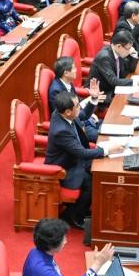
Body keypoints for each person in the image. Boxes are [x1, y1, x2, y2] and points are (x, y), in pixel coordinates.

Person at [45, 91, 111, 229]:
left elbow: (83, 115)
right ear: (68, 112)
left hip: (74, 158)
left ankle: (85, 209)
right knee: (90, 183)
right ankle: (75, 216)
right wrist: (106, 150)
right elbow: (82, 153)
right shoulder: (61, 130)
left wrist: (93, 100)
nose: (80, 107)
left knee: (100, 171)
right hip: (65, 167)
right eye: (77, 106)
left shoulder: (63, 114)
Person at [20, 218, 114, 276]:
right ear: (50, 244)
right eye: (63, 239)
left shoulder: (37, 251)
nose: (65, 241)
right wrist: (98, 263)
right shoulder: (41, 270)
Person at [48, 62, 104, 141]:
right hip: (78, 126)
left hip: (82, 119)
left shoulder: (67, 83)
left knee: (108, 124)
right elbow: (65, 115)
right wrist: (91, 101)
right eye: (73, 68)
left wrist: (90, 111)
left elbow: (77, 105)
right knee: (105, 137)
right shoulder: (56, 91)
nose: (76, 70)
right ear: (66, 73)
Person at [87, 31, 138, 99]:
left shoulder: (118, 52)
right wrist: (136, 81)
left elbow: (131, 69)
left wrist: (133, 54)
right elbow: (113, 81)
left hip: (114, 90)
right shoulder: (104, 57)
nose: (129, 51)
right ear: (119, 46)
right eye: (128, 49)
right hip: (101, 94)